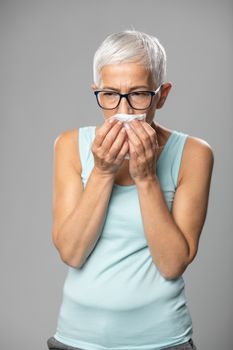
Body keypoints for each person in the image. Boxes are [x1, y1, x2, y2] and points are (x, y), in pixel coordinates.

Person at [47, 30, 214, 350]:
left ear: (161, 95)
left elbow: (173, 263)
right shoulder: (69, 145)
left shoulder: (194, 153)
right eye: (109, 94)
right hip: (78, 338)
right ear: (96, 92)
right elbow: (71, 252)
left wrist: (147, 177)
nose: (123, 108)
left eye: (138, 94)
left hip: (162, 340)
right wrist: (103, 171)